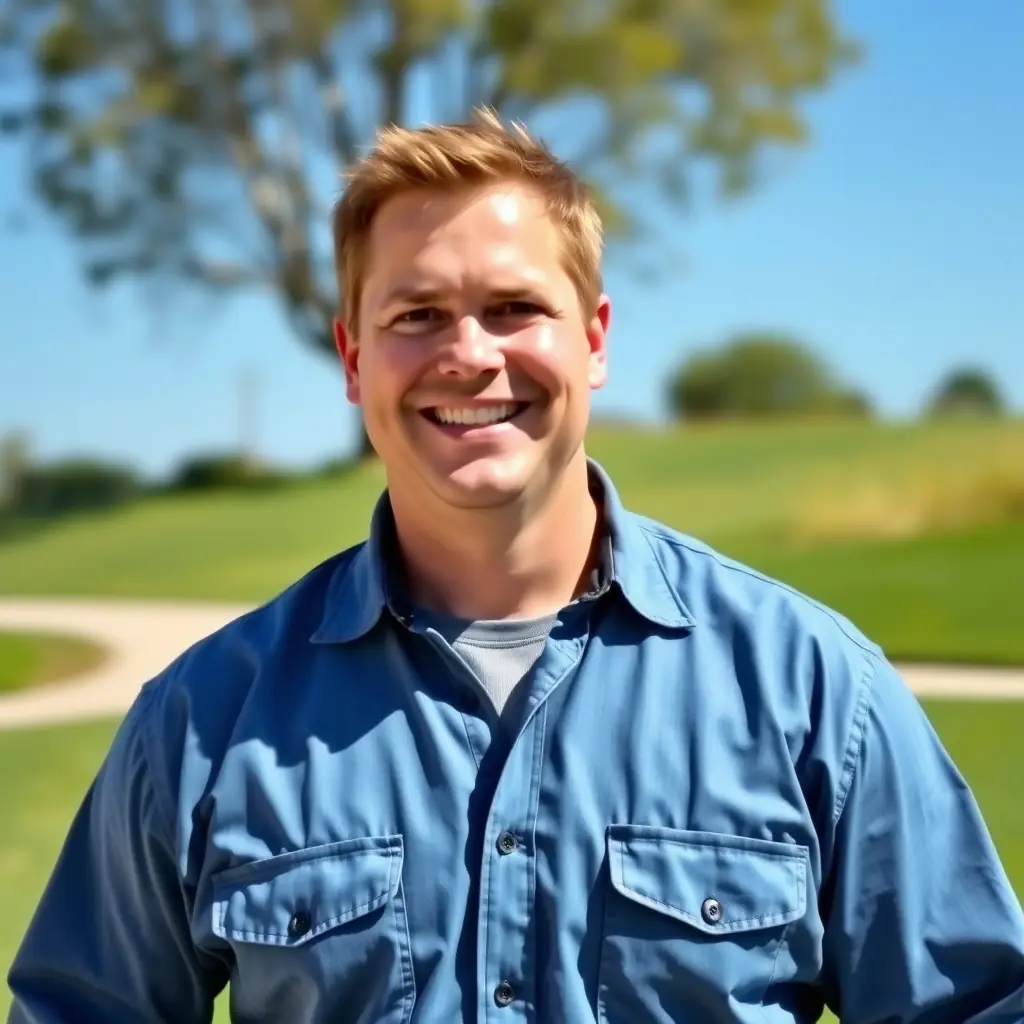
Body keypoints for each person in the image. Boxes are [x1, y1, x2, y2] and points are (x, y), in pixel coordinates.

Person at [8, 108, 1023, 1024]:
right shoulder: (205, 720)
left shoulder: (811, 692)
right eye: (415, 316)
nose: (468, 354)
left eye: (512, 308)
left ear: (593, 340)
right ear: (353, 359)